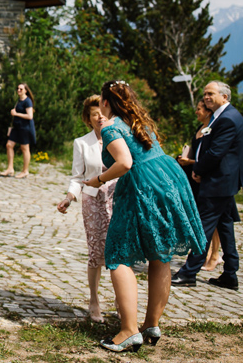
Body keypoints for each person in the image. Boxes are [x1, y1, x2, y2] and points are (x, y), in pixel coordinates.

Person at [83, 80, 205, 352]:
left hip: (141, 187)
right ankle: (151, 324)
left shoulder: (112, 126)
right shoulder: (140, 122)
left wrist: (99, 179)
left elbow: (125, 162)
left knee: (118, 254)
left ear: (105, 102)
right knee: (159, 253)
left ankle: (128, 331)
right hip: (168, 182)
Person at [172, 81, 243, 291]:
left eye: (211, 93)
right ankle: (230, 274)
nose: (206, 97)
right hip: (223, 181)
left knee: (204, 226)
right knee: (225, 227)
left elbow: (216, 153)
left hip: (219, 181)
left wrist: (198, 170)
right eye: (205, 94)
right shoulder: (222, 116)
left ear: (224, 96)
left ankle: (189, 272)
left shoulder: (227, 119)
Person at [56, 95, 116, 323]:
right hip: (93, 202)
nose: (100, 118)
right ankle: (94, 300)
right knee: (96, 254)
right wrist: (69, 197)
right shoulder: (81, 142)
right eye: (94, 115)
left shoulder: (120, 138)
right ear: (88, 119)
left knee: (119, 250)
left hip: (118, 200)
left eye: (102, 113)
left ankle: (121, 300)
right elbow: (77, 177)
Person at [176, 100, 223, 271]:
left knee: (215, 219)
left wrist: (192, 162)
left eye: (198, 109)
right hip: (194, 175)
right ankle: (207, 251)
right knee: (201, 215)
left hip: (207, 177)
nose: (196, 112)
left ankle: (215, 254)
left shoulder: (212, 131)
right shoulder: (200, 129)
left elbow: (211, 156)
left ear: (208, 112)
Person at [2, 83, 35, 178]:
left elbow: (30, 116)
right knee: (9, 145)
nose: (18, 90)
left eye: (21, 89)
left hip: (25, 128)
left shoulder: (27, 101)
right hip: (16, 127)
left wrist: (16, 114)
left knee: (24, 148)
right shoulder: (19, 101)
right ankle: (10, 168)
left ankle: (25, 170)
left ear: (26, 90)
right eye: (18, 88)